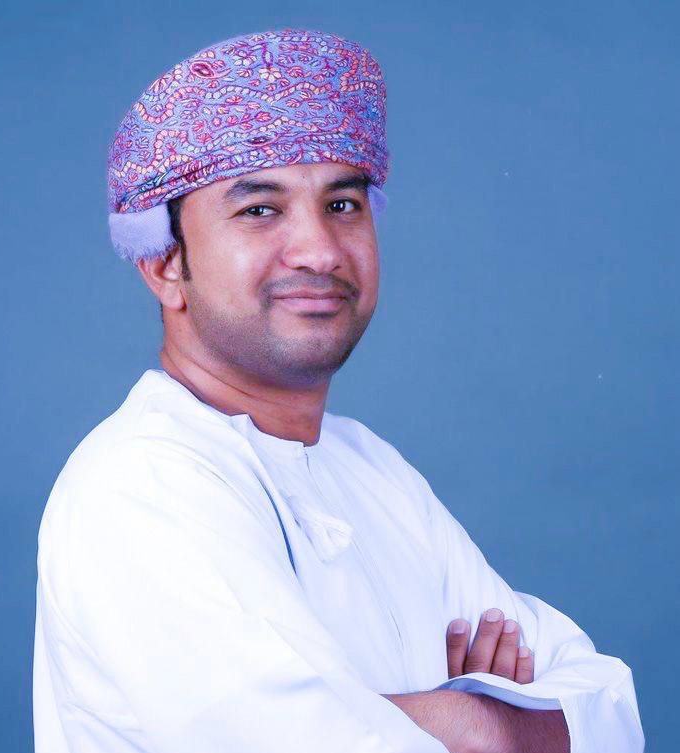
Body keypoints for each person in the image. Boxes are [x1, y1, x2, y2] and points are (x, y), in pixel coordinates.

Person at [32, 27, 644, 753]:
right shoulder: (141, 486)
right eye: (259, 209)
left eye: (343, 204)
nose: (320, 251)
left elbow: (609, 710)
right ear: (166, 264)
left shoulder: (369, 467)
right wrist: (481, 718)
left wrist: (400, 720)